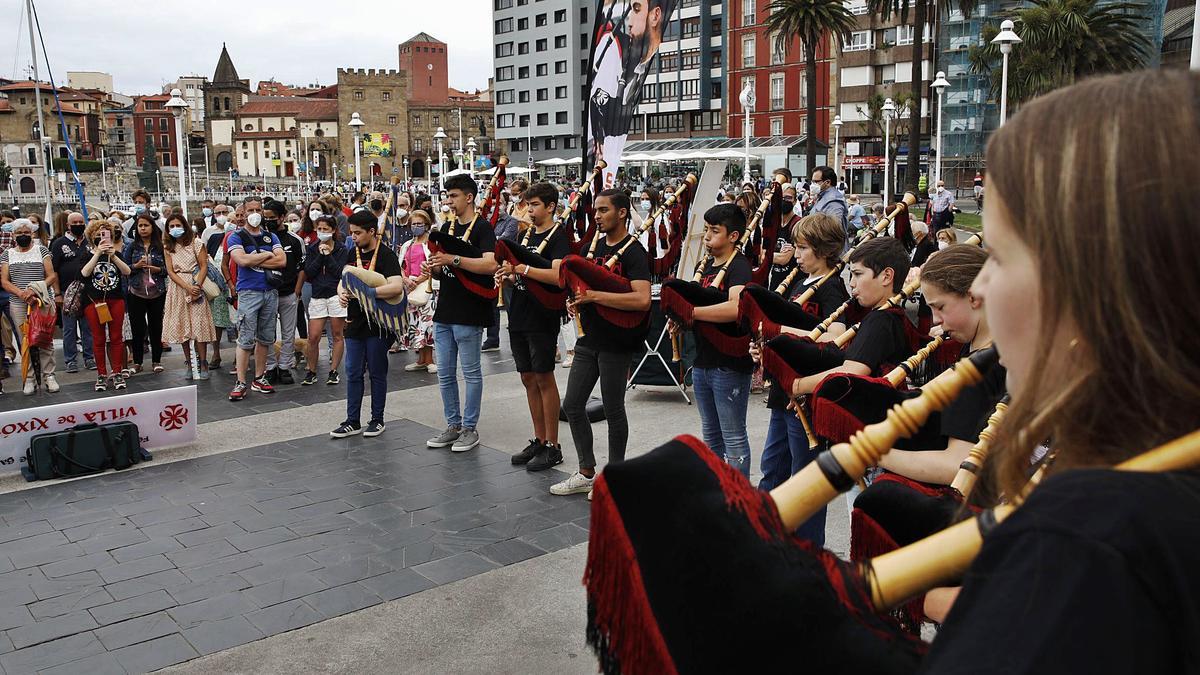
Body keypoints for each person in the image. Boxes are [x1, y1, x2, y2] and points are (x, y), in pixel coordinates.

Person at [754, 213, 848, 545]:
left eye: (803, 247)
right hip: (784, 391)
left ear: (824, 250)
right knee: (773, 467)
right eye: (796, 246)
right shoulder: (799, 282)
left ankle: (808, 554)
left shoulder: (832, 287)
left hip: (806, 394)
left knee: (805, 479)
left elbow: (835, 336)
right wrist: (766, 349)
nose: (796, 254)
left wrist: (780, 334)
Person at [551, 190, 651, 499]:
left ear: (622, 213)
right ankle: (586, 471)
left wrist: (596, 297)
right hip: (589, 338)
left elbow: (642, 299)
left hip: (617, 341)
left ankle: (615, 477)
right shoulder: (591, 247)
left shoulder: (634, 251)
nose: (597, 215)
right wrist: (577, 300)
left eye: (604, 210)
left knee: (612, 408)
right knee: (572, 405)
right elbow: (582, 283)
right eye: (595, 210)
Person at [668, 204, 754, 477]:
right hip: (704, 360)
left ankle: (739, 499)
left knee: (733, 438)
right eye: (706, 229)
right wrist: (680, 320)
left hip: (729, 362)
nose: (706, 236)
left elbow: (735, 309)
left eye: (714, 231)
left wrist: (690, 314)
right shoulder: (703, 265)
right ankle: (718, 491)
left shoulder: (739, 266)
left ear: (733, 236)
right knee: (712, 436)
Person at [495, 182, 571, 472]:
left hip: (542, 314)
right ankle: (539, 439)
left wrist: (522, 269)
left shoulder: (558, 237)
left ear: (550, 206)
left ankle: (553, 445)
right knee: (527, 377)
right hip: (520, 312)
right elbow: (521, 274)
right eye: (527, 205)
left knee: (543, 377)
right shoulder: (526, 235)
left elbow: (556, 275)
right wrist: (509, 276)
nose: (529, 210)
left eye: (535, 204)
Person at [423, 174, 498, 453]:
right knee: (444, 373)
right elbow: (446, 271)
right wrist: (435, 268)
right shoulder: (447, 226)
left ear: (468, 197)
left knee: (471, 372)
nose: (449, 201)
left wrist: (452, 259)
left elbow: (490, 264)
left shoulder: (482, 228)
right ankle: (453, 425)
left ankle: (469, 428)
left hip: (470, 309)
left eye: (454, 196)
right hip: (445, 309)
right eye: (448, 196)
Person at [329, 210, 404, 439]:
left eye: (358, 233)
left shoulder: (386, 255)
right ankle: (352, 420)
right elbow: (344, 281)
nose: (354, 237)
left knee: (377, 371)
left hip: (378, 323)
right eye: (351, 233)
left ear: (372, 231)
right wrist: (342, 293)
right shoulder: (352, 253)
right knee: (352, 371)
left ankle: (377, 419)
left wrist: (366, 293)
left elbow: (396, 287)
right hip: (354, 321)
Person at [226, 197, 286, 400]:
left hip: (270, 291)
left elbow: (282, 260)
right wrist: (267, 256)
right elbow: (241, 260)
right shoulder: (236, 237)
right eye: (250, 209)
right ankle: (241, 381)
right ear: (243, 211)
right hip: (249, 292)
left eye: (258, 209)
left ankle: (259, 378)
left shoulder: (271, 236)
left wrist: (256, 257)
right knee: (245, 339)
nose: (254, 213)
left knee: (265, 338)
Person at [0, 218, 58, 394]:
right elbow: (4, 280)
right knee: (25, 340)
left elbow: (51, 276)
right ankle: (29, 378)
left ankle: (49, 375)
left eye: (26, 232)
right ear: (13, 235)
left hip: (41, 301)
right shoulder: (7, 254)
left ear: (32, 233)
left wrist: (34, 290)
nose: (23, 236)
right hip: (18, 303)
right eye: (19, 233)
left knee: (45, 338)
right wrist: (21, 293)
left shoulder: (42, 250)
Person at [162, 212, 217, 380]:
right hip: (178, 288)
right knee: (182, 325)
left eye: (178, 225)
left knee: (199, 325)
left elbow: (203, 265)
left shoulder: (196, 243)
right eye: (171, 226)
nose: (175, 228)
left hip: (196, 283)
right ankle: (189, 361)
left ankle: (203, 362)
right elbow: (170, 271)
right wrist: (186, 286)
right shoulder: (167, 247)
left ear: (185, 226)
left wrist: (197, 286)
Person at [79, 220, 131, 391]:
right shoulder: (86, 254)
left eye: (106, 233)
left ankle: (117, 372)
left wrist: (113, 255)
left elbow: (127, 271)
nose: (102, 236)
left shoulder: (116, 253)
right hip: (94, 302)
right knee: (98, 338)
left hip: (115, 299)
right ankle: (101, 374)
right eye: (98, 233)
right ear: (91, 236)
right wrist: (97, 253)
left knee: (116, 337)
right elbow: (85, 273)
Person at [301, 216, 348, 385]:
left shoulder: (342, 249)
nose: (322, 232)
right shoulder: (313, 248)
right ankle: (311, 370)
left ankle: (334, 370)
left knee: (337, 334)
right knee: (313, 336)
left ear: (334, 230)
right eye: (319, 229)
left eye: (326, 229)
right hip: (317, 295)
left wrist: (328, 256)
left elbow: (339, 272)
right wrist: (321, 255)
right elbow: (309, 272)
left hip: (336, 295)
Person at [262, 200, 305, 385]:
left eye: (272, 218)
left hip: (288, 292)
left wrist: (297, 291)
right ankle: (271, 367)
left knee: (288, 333)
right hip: (267, 293)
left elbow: (302, 267)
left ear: (281, 217)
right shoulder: (261, 238)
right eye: (266, 218)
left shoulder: (294, 240)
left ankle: (285, 366)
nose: (269, 221)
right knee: (267, 333)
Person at [49, 211, 95, 373]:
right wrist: (57, 294)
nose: (77, 225)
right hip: (67, 291)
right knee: (69, 328)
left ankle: (89, 357)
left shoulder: (90, 242)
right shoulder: (58, 243)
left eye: (80, 222)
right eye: (74, 223)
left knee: (88, 326)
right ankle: (70, 360)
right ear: (68, 225)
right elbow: (53, 271)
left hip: (88, 291)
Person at [123, 212, 168, 374]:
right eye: (140, 226)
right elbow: (125, 268)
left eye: (146, 225)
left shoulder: (161, 247)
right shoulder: (131, 246)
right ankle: (137, 362)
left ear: (152, 227)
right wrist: (135, 265)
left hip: (157, 292)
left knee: (156, 327)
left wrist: (158, 269)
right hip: (136, 292)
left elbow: (168, 270)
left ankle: (156, 360)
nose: (143, 228)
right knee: (137, 328)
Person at [398, 208, 437, 373]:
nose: (416, 226)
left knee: (427, 324)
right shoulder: (407, 245)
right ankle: (421, 359)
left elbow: (434, 264)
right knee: (414, 324)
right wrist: (405, 279)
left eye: (419, 224)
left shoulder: (431, 244)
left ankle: (430, 360)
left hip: (428, 288)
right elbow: (400, 265)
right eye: (413, 224)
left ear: (427, 225)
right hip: (410, 289)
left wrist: (420, 279)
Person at [767, 185, 801, 292]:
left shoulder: (797, 224)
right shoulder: (774, 223)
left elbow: (784, 259)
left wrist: (767, 256)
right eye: (781, 198)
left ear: (795, 201)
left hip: (792, 282)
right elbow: (761, 255)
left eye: (788, 198)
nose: (784, 201)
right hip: (775, 279)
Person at [809, 166, 849, 236]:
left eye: (816, 182)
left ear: (827, 182)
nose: (812, 185)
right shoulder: (822, 196)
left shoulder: (834, 201)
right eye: (812, 182)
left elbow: (833, 229)